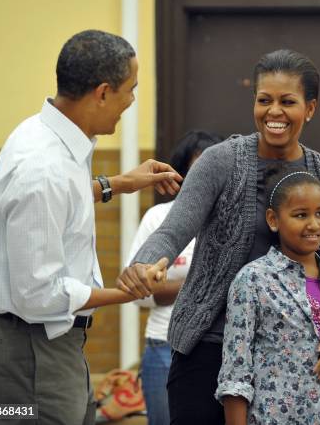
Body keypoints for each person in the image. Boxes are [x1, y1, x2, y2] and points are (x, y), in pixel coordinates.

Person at [118, 49, 320, 424]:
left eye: (288, 101)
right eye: (264, 100)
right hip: (208, 348)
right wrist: (145, 263)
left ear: (310, 108)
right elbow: (173, 229)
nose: (274, 112)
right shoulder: (222, 161)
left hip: (292, 360)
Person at [0, 30, 181, 425]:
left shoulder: (45, 135)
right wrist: (129, 290)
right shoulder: (43, 167)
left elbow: (50, 204)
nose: (131, 101)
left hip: (47, 349)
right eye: (129, 90)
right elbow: (39, 295)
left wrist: (115, 184)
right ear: (102, 92)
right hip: (31, 356)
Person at [216, 168, 320, 424]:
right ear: (273, 220)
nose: (314, 224)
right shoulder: (253, 279)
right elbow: (235, 375)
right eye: (301, 215)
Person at [128, 130, 223, 425]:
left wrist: (172, 287)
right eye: (198, 170)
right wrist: (206, 284)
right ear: (181, 175)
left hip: (223, 347)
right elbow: (140, 295)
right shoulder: (159, 218)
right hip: (164, 346)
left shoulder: (236, 222)